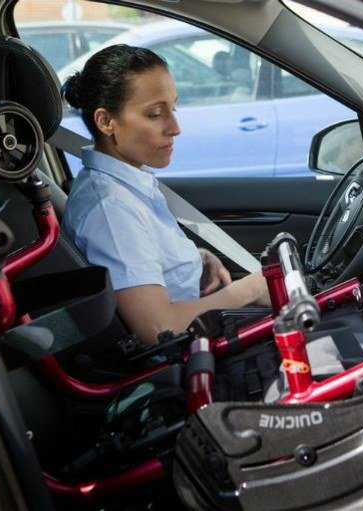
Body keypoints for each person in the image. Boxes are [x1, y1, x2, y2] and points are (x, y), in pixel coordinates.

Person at [61, 44, 270, 346]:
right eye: (155, 114)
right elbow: (159, 329)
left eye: (174, 108)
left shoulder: (127, 184)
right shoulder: (112, 209)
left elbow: (140, 260)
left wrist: (190, 262)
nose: (175, 127)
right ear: (106, 121)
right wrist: (251, 289)